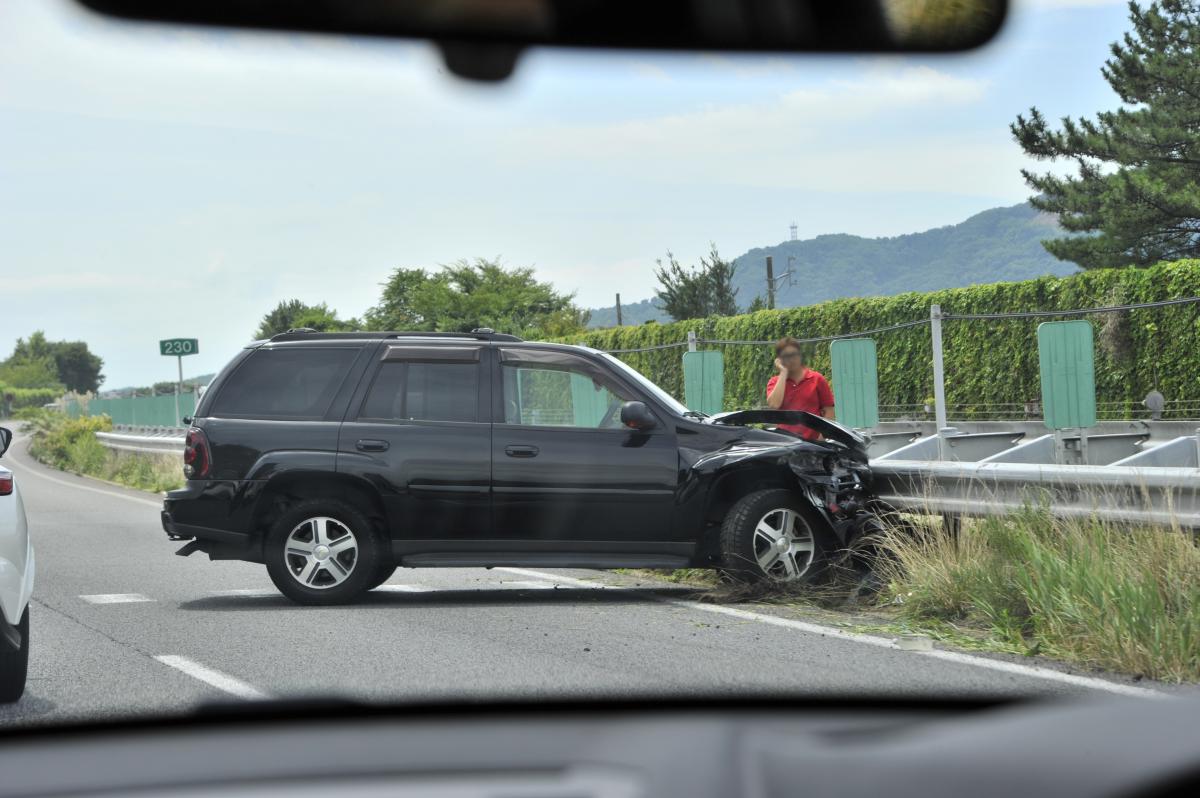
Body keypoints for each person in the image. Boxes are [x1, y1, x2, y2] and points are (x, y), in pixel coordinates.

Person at [765, 337, 835, 440]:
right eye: (786, 356)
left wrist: (820, 439)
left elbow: (829, 411)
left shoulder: (816, 379)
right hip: (785, 444)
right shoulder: (775, 382)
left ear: (800, 355)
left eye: (794, 354)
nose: (791, 359)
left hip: (813, 444)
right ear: (779, 359)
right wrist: (783, 373)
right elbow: (774, 405)